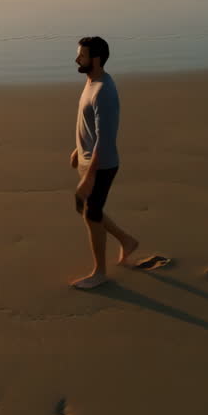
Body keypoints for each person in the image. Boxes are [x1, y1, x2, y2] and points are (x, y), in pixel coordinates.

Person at [69, 36, 138, 289]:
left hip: (102, 165)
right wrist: (77, 151)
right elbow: (89, 125)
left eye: (82, 55)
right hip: (88, 161)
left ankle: (99, 273)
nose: (77, 59)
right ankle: (127, 240)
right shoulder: (91, 82)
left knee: (91, 213)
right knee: (83, 208)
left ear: (95, 59)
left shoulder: (104, 91)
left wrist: (89, 178)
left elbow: (105, 139)